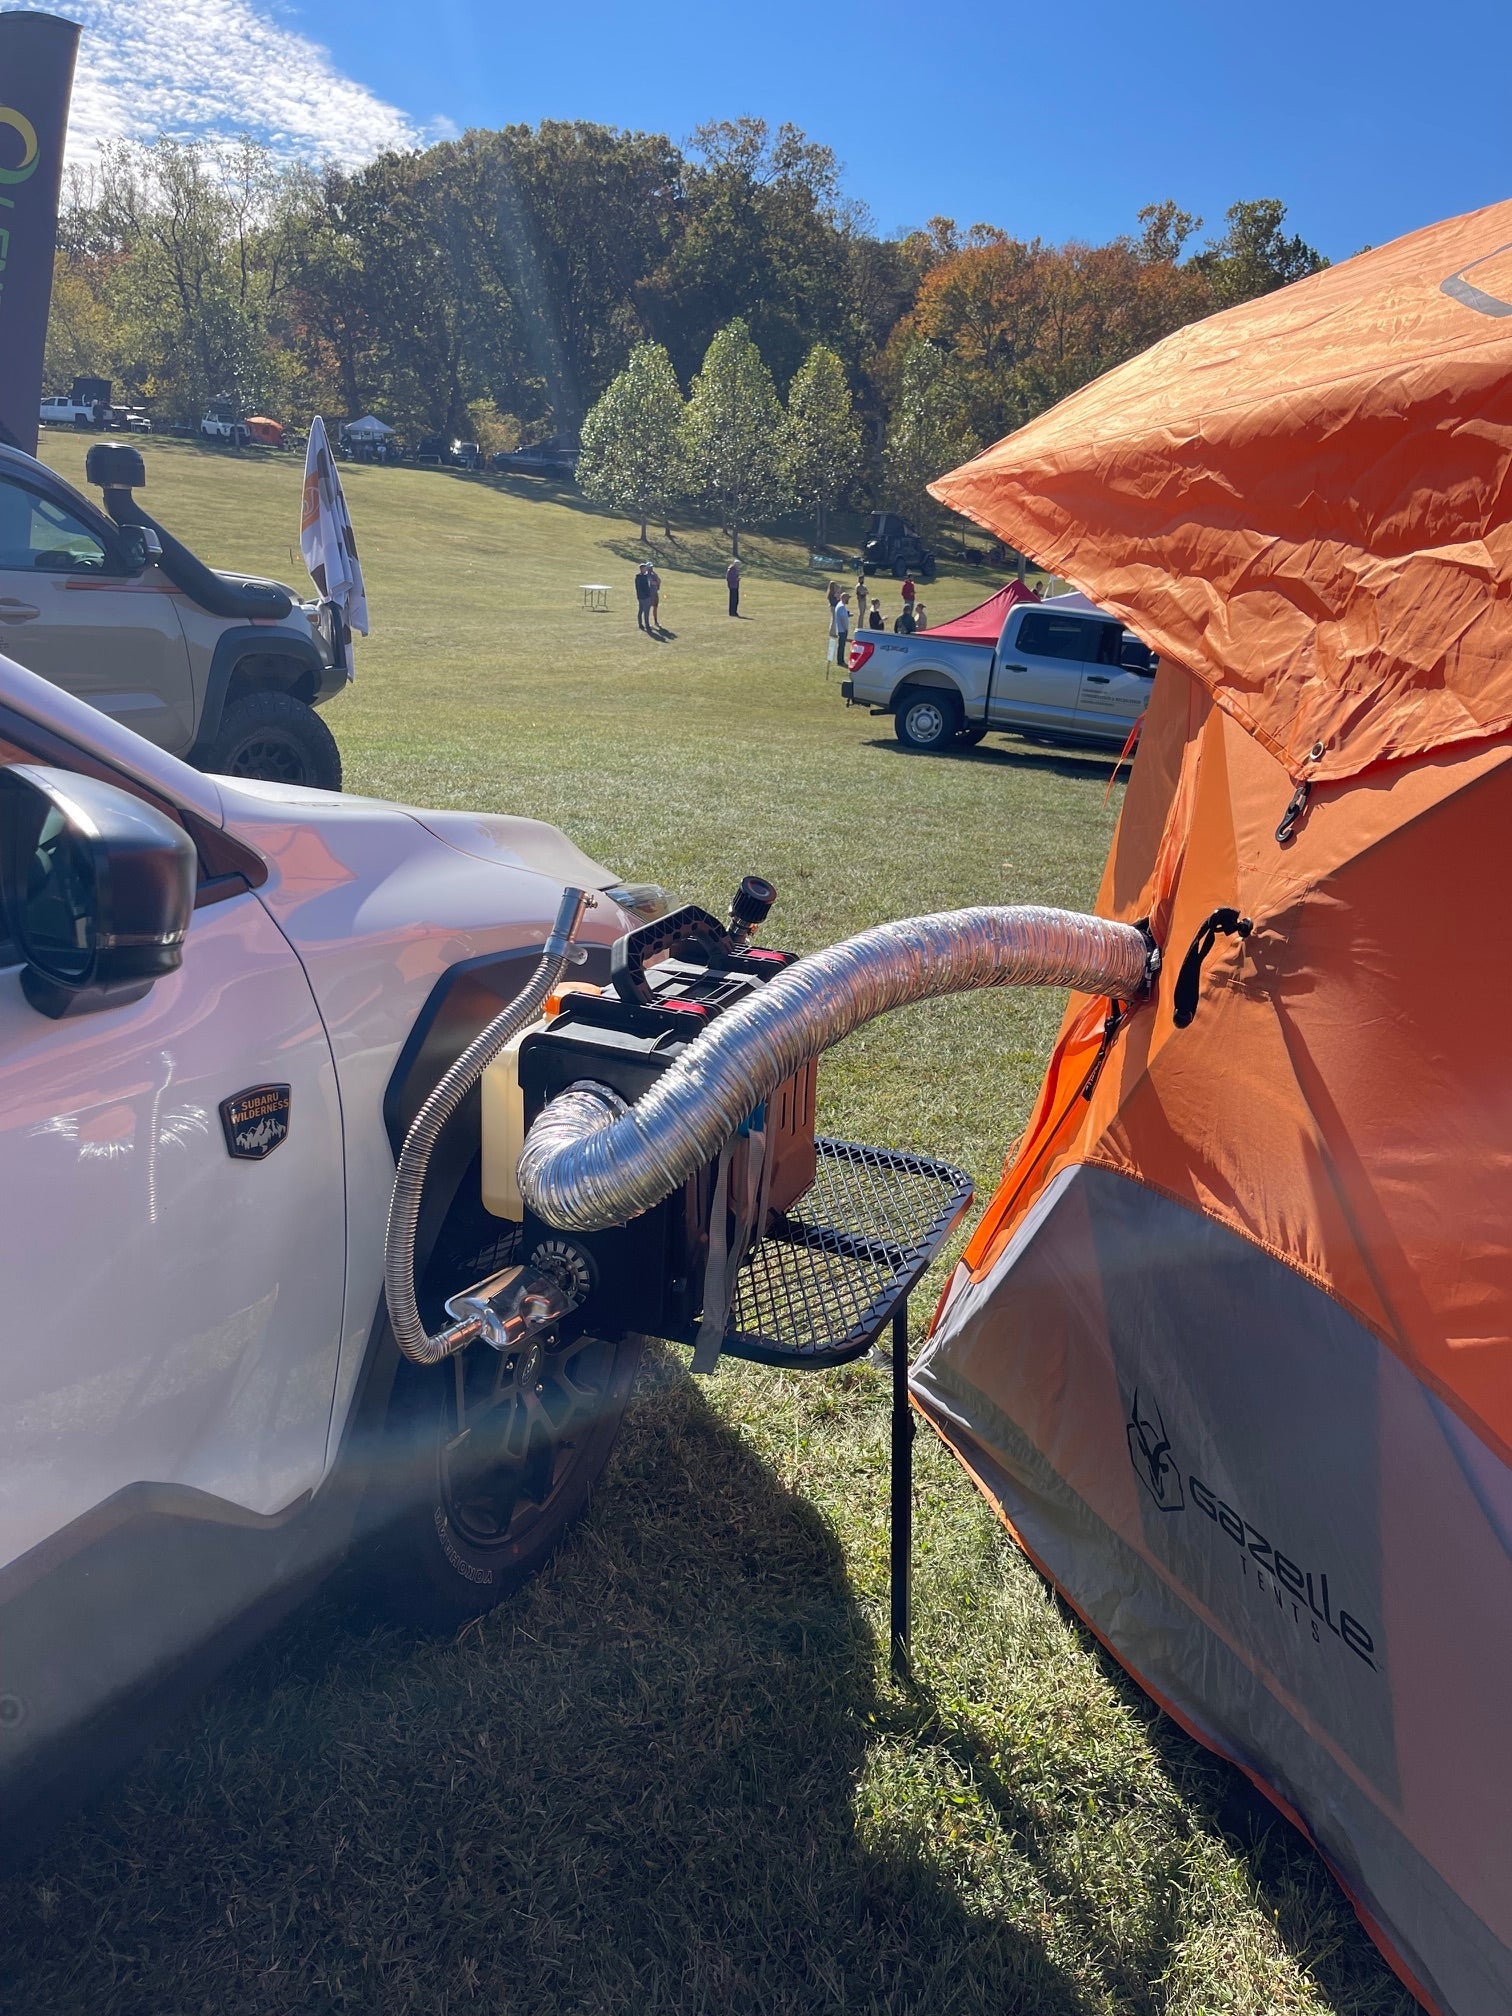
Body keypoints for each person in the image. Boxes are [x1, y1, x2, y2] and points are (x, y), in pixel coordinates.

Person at [832, 590, 851, 670]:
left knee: (841, 645)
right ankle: (840, 661)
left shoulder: (840, 605)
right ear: (843, 598)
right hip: (842, 630)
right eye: (847, 598)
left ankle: (840, 660)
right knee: (841, 646)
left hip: (841, 629)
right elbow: (842, 619)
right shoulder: (841, 607)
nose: (848, 600)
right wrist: (846, 629)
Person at [634, 562, 652, 632]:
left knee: (641, 611)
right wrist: (647, 595)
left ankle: (641, 624)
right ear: (641, 569)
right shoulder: (639, 577)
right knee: (645, 611)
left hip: (642, 596)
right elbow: (640, 588)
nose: (646, 570)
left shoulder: (644, 576)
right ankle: (647, 625)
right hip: (644, 597)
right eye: (645, 568)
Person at [647, 563, 662, 630]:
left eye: (652, 567)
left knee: (655, 608)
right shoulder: (646, 575)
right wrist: (656, 582)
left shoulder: (654, 575)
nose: (651, 569)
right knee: (647, 609)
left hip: (655, 594)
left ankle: (656, 622)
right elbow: (652, 582)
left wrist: (655, 574)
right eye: (650, 567)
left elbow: (659, 581)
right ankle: (647, 623)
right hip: (648, 594)